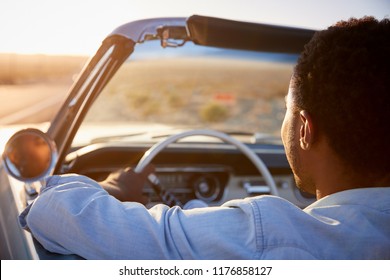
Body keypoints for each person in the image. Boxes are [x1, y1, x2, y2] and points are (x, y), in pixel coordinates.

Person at [19, 16, 390, 259]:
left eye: (286, 111)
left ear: (305, 130)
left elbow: (52, 212)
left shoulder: (269, 236)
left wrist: (115, 189)